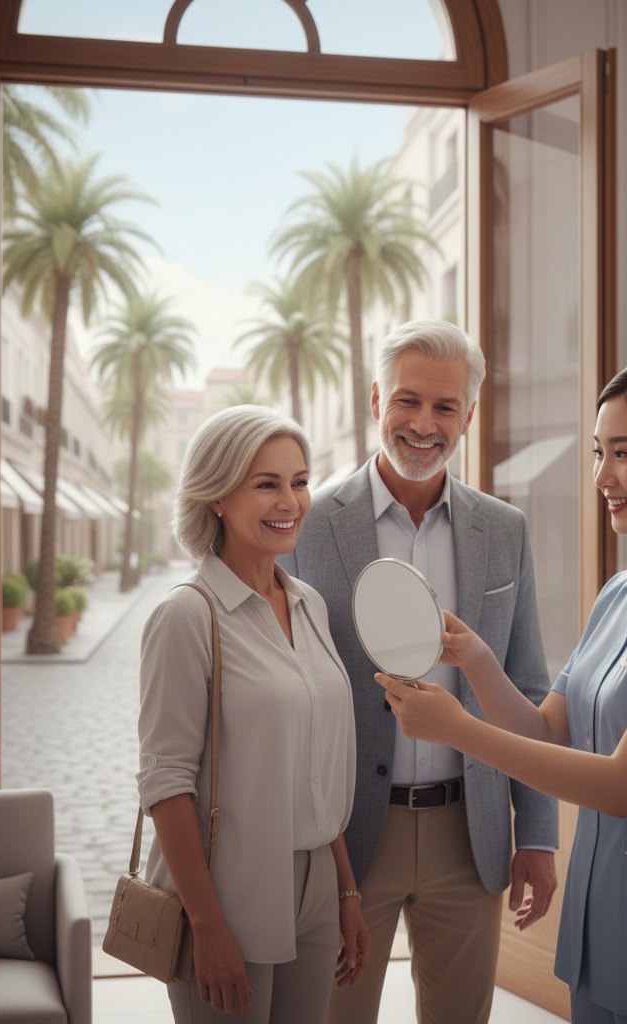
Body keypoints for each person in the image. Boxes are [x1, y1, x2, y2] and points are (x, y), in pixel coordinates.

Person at [379, 351, 627, 1024]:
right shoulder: (624, 592)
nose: (602, 476)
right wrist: (477, 660)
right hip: (601, 916)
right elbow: (546, 732)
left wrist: (458, 731)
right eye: (598, 452)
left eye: (624, 453)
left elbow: (623, 785)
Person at [278, 318, 558, 1024]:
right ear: (376, 400)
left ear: (469, 413)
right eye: (407, 401)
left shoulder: (505, 530)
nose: (424, 424)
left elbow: (528, 686)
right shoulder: (306, 526)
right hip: (343, 837)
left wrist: (538, 835)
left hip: (473, 833)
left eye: (444, 406)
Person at [137, 405, 367, 1023]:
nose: (289, 500)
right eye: (265, 483)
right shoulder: (186, 616)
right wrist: (206, 925)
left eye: (298, 480)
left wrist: (344, 888)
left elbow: (317, 759)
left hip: (316, 880)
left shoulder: (310, 604)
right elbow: (165, 784)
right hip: (226, 889)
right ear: (215, 497)